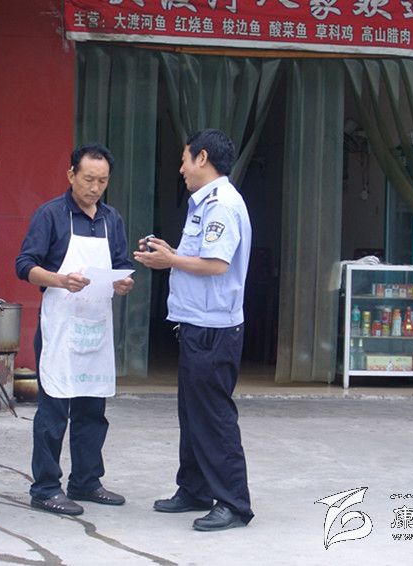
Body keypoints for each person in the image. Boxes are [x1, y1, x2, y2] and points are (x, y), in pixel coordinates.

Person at [133, 128, 254, 532]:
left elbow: (217, 265)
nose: (181, 168)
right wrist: (170, 254)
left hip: (214, 329)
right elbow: (199, 257)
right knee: (192, 413)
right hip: (197, 324)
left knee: (213, 416)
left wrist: (170, 261)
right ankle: (195, 488)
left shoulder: (221, 205)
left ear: (203, 158)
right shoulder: (204, 202)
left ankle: (233, 503)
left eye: (185, 159)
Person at [15, 142, 134, 516]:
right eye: (88, 179)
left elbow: (121, 264)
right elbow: (24, 265)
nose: (95, 188)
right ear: (71, 175)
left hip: (96, 325)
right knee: (53, 410)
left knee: (92, 408)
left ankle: (86, 481)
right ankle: (45, 487)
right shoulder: (51, 215)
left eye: (103, 181)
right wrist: (60, 280)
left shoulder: (112, 220)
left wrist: (124, 283)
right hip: (60, 327)